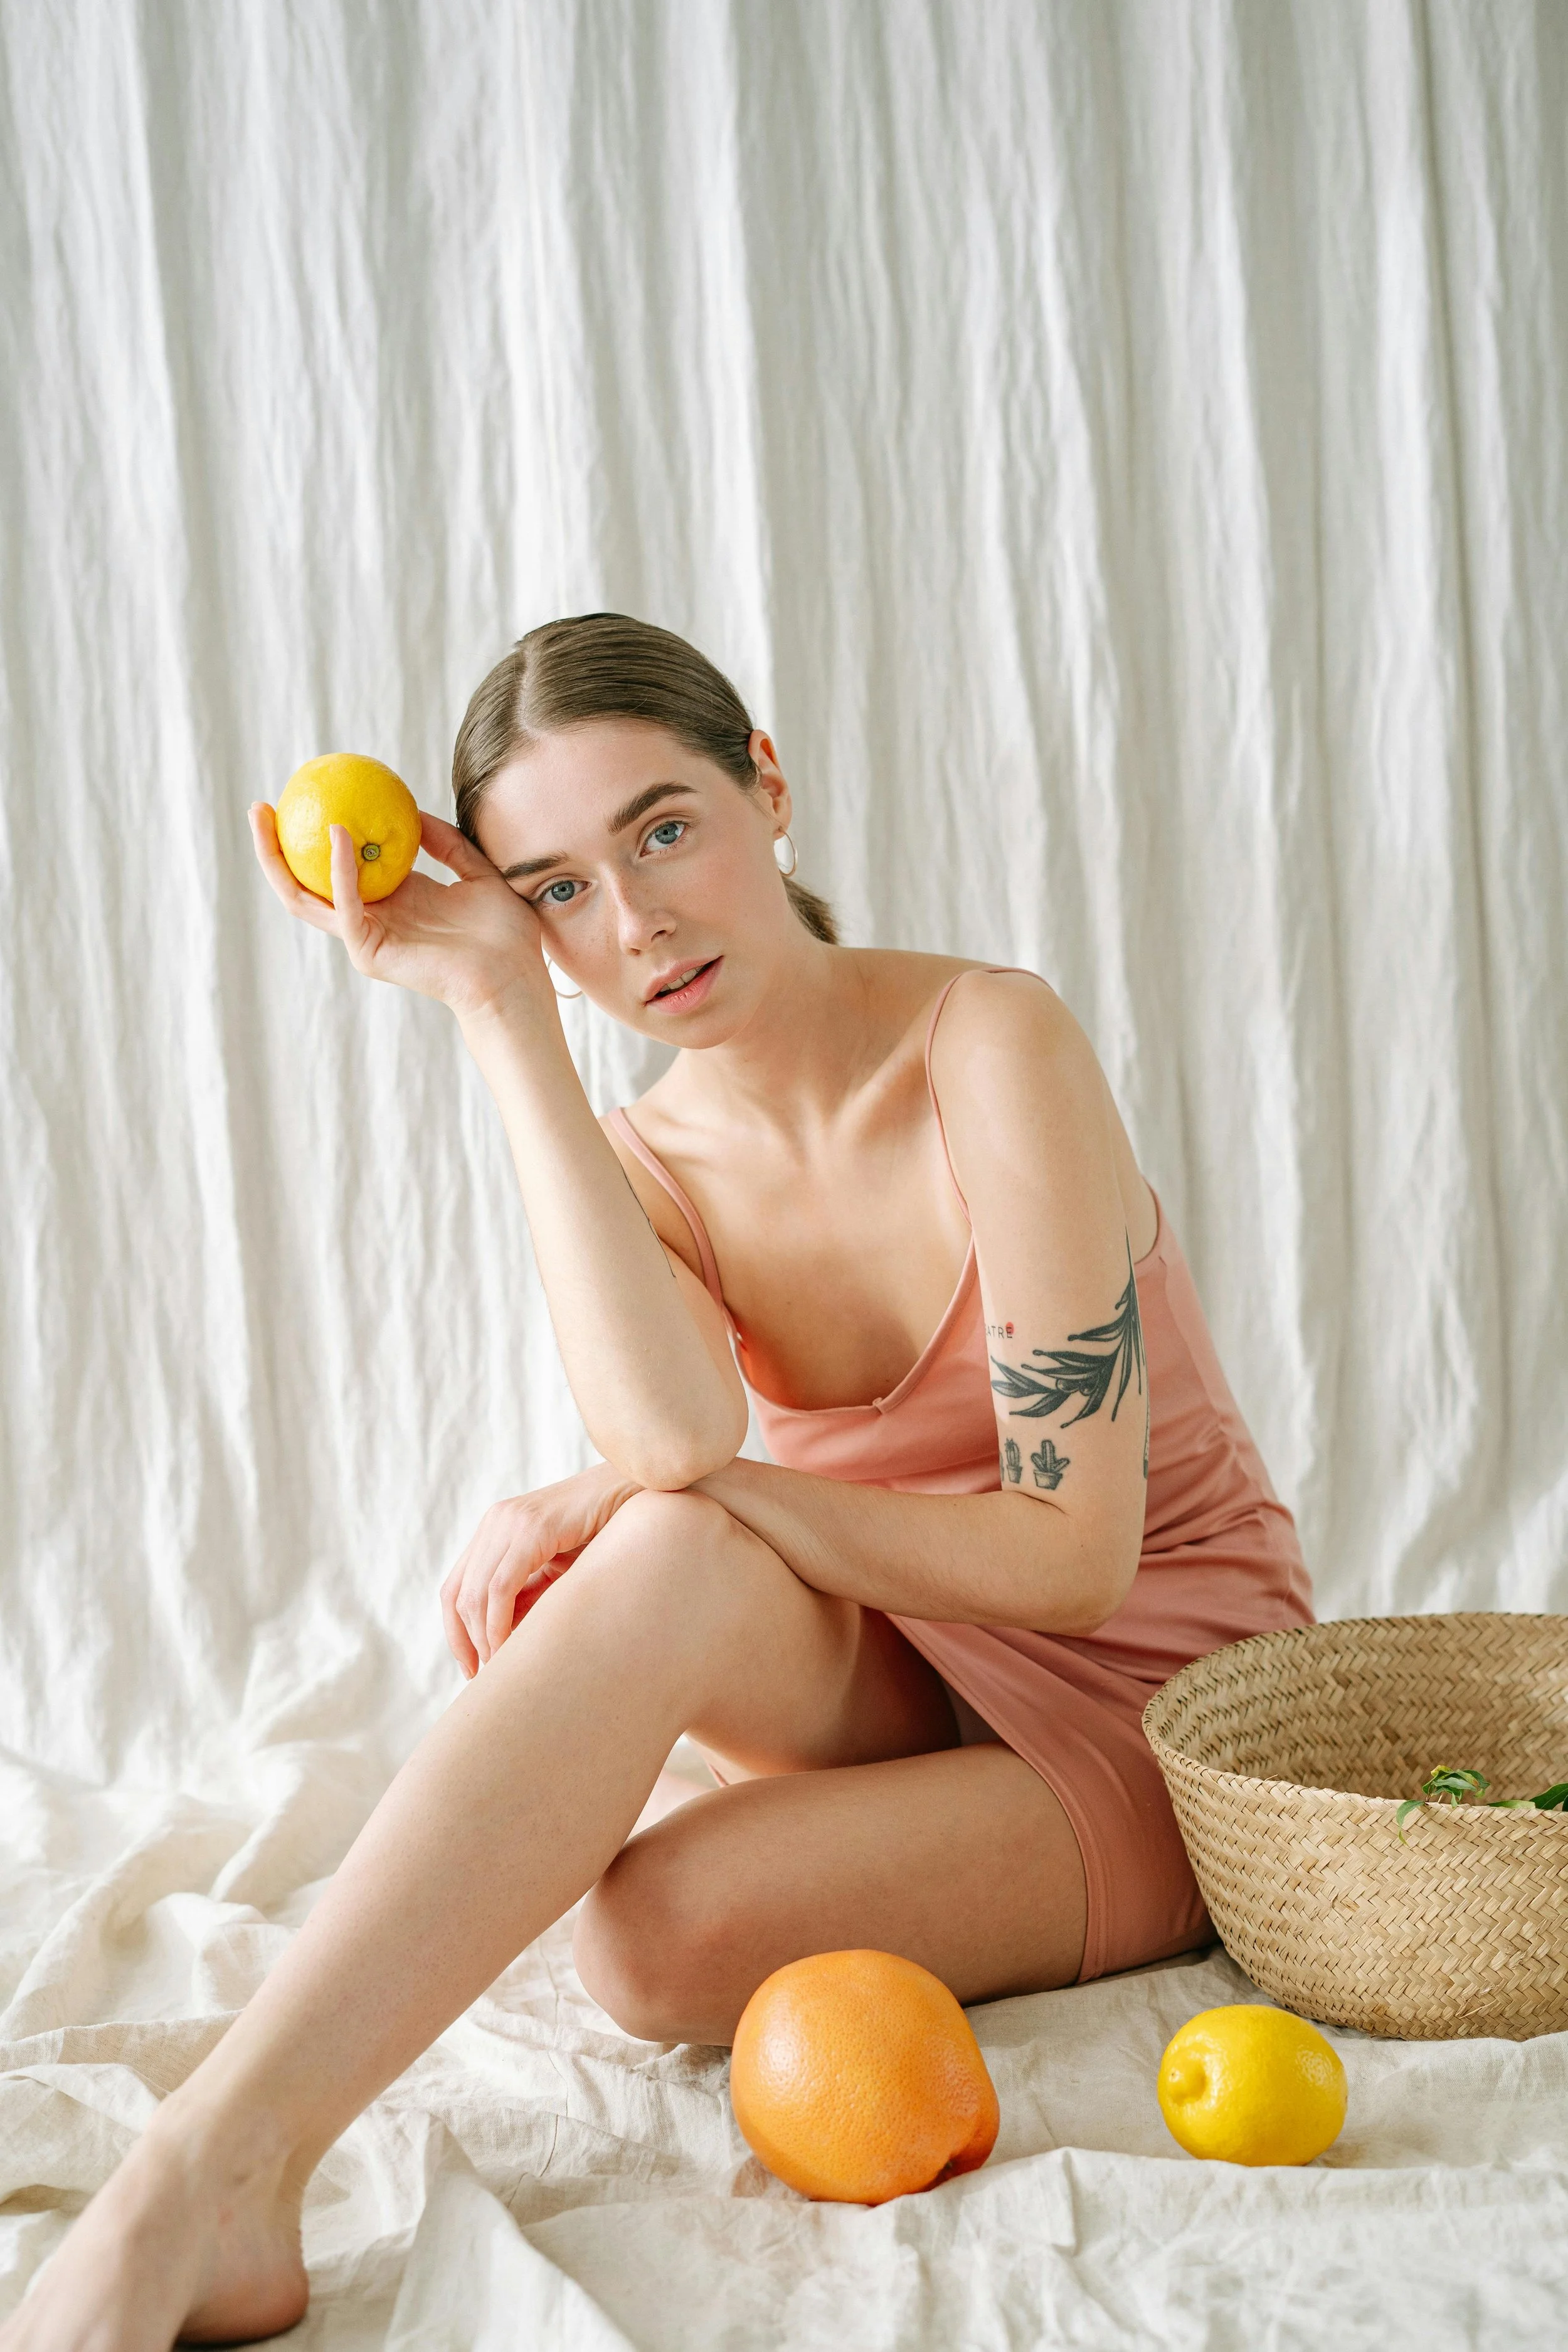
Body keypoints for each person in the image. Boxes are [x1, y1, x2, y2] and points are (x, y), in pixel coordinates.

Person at [5, 613, 1311, 2348]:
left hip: (1170, 1717)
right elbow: (679, 1446)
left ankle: (217, 2174)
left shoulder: (986, 1045)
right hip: (919, 1656)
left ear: (766, 788)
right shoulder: (652, 1157)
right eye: (555, 890)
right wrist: (494, 1007)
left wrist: (681, 1503)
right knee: (672, 1549)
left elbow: (1076, 1557)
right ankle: (212, 2174)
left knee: (646, 1935)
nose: (634, 925)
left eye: (664, 829)